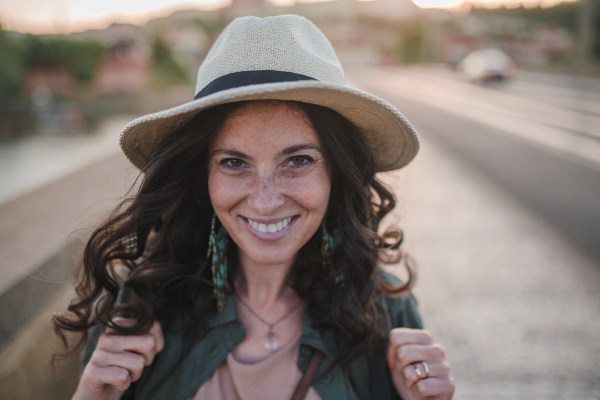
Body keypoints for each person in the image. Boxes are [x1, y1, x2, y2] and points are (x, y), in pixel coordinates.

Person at [54, 14, 455, 400]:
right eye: (234, 163)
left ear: (337, 172)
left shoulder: (386, 310)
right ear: (203, 176)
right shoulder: (141, 306)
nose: (264, 201)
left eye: (297, 161)